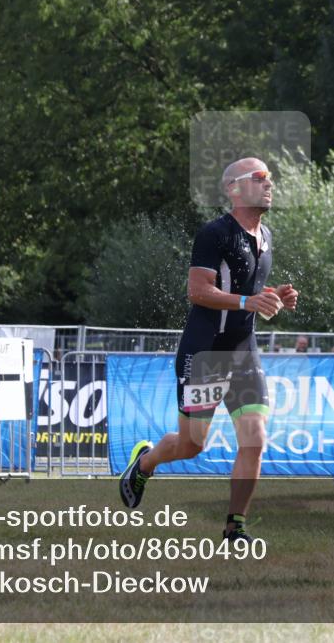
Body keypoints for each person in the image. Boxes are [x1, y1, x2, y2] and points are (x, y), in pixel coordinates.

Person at [119, 158, 299, 542]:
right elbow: (198, 292)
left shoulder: (266, 236)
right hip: (206, 354)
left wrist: (273, 297)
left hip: (244, 356)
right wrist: (248, 302)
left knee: (255, 439)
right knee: (191, 445)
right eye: (260, 178)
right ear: (235, 189)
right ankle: (145, 463)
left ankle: (236, 526)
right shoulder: (214, 233)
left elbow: (247, 294)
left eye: (270, 178)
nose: (270, 184)